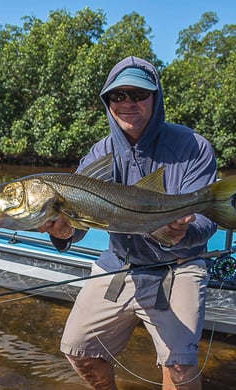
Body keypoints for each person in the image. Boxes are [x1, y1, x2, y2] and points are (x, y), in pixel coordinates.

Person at [39, 56, 217, 389]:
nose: (127, 103)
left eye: (137, 93)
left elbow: (208, 220)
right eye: (117, 96)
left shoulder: (193, 147)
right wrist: (64, 232)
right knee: (78, 350)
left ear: (156, 97)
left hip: (177, 267)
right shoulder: (99, 154)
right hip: (119, 266)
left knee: (178, 369)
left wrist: (183, 232)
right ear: (107, 103)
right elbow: (77, 224)